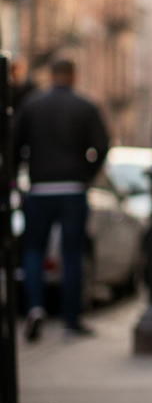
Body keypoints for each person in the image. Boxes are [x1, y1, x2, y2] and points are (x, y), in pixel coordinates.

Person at [14, 58, 110, 341]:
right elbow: (102, 146)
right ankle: (71, 320)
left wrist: (19, 176)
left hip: (40, 189)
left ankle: (35, 307)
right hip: (73, 190)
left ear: (50, 76)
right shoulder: (85, 106)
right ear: (73, 76)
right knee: (72, 255)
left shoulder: (31, 106)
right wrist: (85, 174)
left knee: (33, 250)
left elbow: (15, 145)